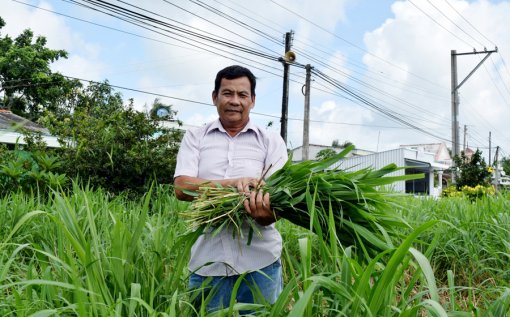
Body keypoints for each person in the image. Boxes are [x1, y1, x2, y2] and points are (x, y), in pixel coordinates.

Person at [174, 65, 288, 313]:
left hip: (261, 264)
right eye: (227, 93)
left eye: (242, 95)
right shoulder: (196, 137)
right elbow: (183, 187)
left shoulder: (271, 141)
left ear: (253, 100)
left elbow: (280, 201)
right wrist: (236, 184)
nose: (235, 101)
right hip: (208, 264)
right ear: (215, 97)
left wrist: (267, 213)